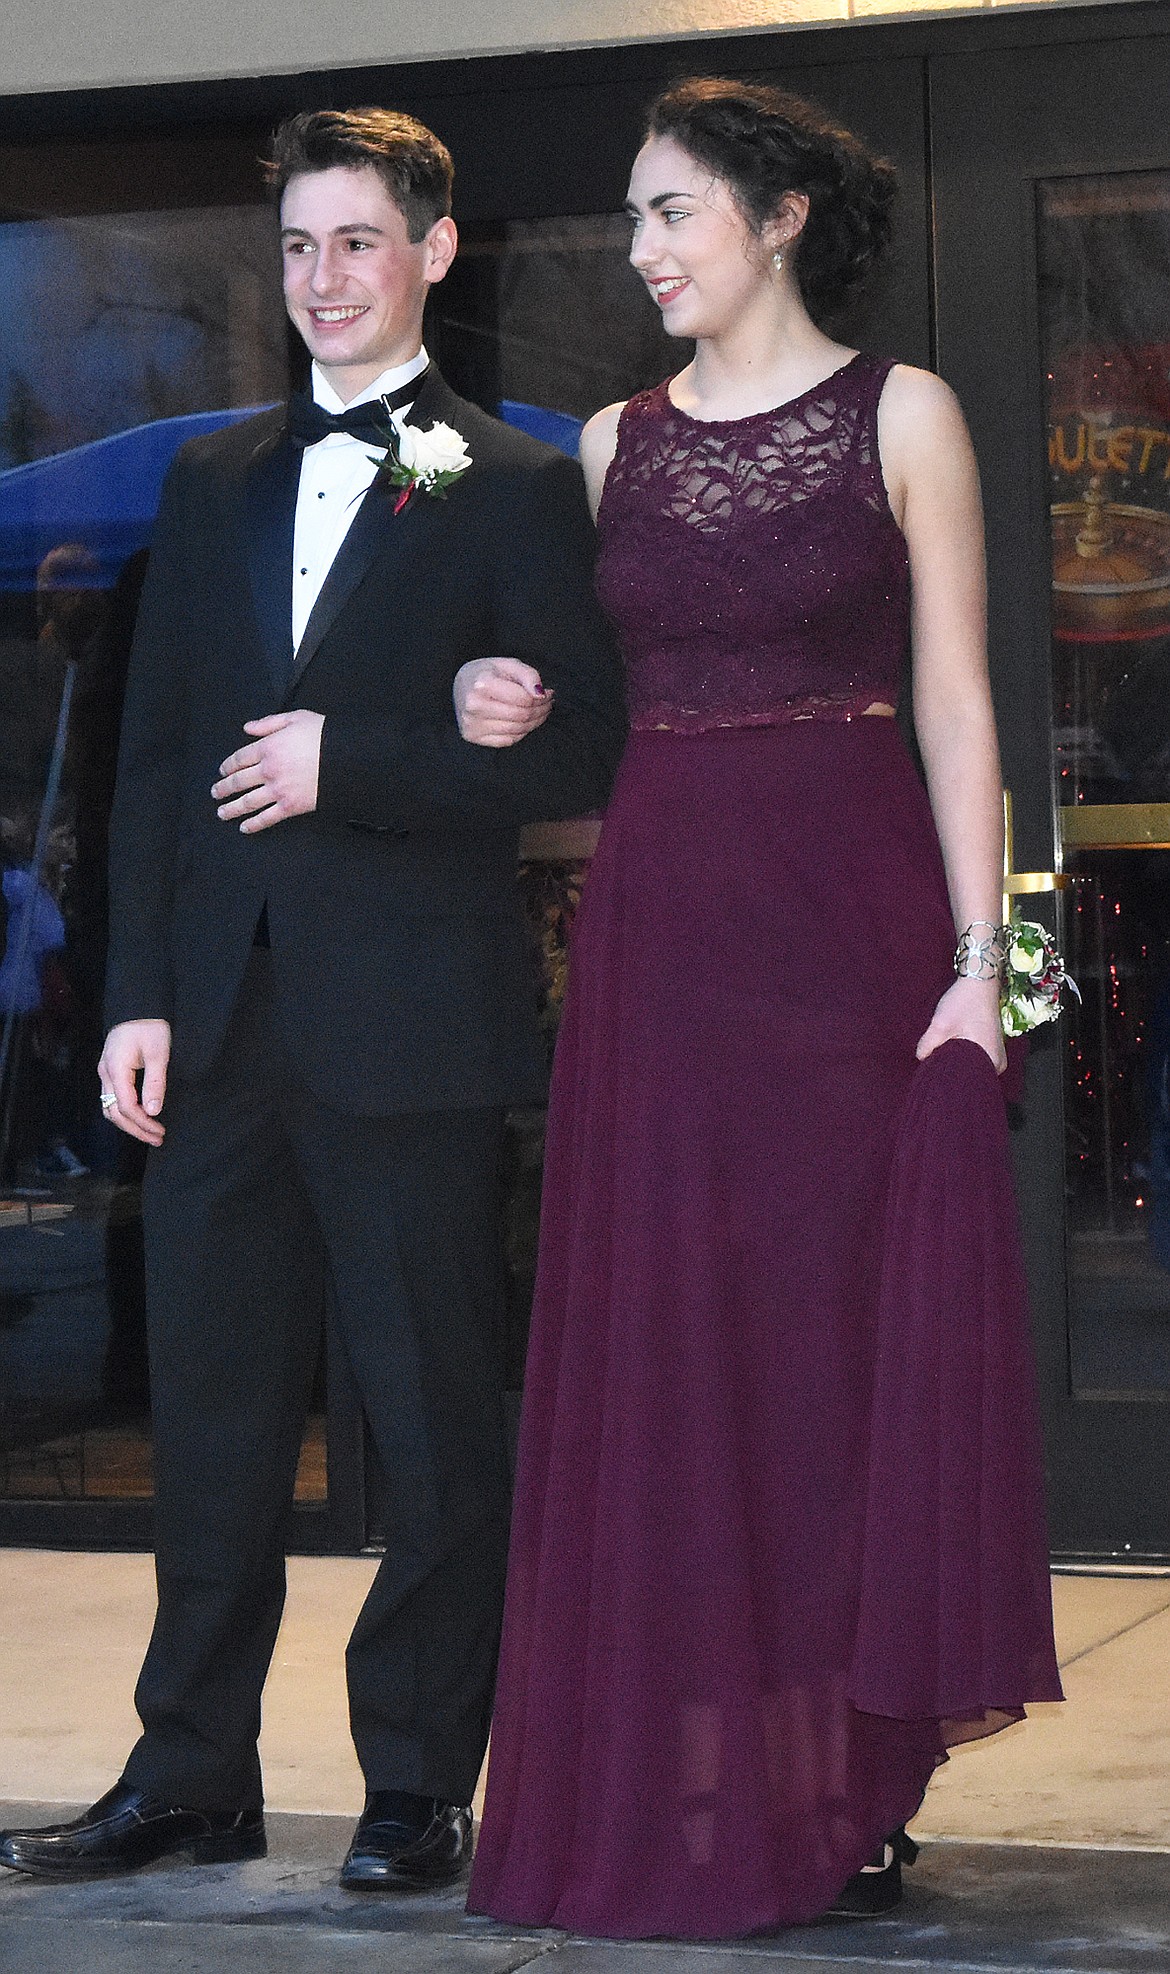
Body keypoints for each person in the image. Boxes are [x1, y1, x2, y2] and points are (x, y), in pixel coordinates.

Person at [0, 106, 625, 1890]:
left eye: (358, 241)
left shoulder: (512, 480)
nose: (323, 279)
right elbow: (148, 772)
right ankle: (189, 1771)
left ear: (435, 252)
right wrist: (133, 994)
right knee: (205, 1421)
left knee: (430, 1421)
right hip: (214, 1033)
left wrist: (362, 758)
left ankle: (419, 1782)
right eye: (296, 246)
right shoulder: (206, 485)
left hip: (415, 1027)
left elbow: (584, 741)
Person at [467, 78, 1063, 1940]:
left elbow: (959, 701)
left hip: (857, 940)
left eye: (668, 215)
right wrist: (498, 703)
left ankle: (844, 1776)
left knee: (827, 1366)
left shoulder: (907, 413)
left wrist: (982, 972)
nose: (639, 252)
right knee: (685, 1365)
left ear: (777, 215)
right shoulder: (602, 446)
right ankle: (710, 1783)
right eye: (635, 220)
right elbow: (586, 716)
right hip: (663, 955)